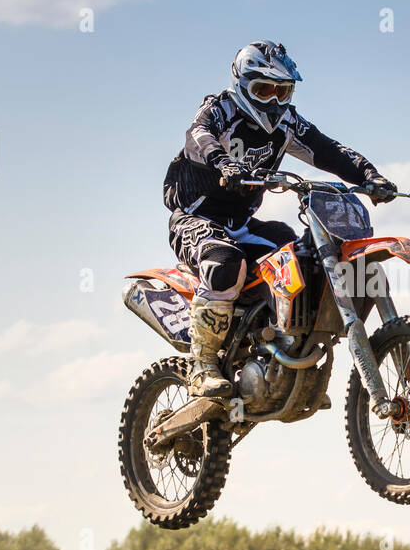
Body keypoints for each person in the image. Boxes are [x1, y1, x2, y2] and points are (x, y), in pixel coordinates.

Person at [163, 40, 397, 397]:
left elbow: (326, 149)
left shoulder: (286, 122)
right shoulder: (220, 109)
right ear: (242, 85)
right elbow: (199, 134)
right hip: (195, 219)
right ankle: (203, 365)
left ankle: (279, 342)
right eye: (264, 89)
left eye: (282, 91)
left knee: (299, 255)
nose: (273, 100)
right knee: (226, 263)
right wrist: (224, 163)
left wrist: (370, 176)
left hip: (242, 224)